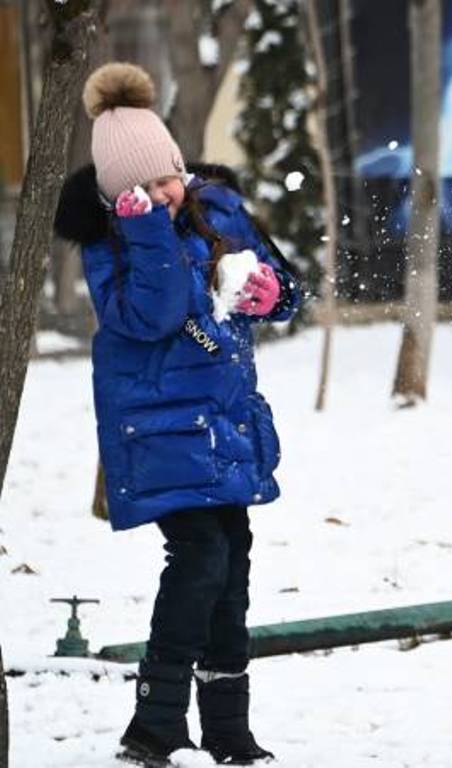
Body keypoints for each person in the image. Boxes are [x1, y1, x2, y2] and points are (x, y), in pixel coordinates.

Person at [55, 62, 299, 766]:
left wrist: (267, 293)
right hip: (160, 427)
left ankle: (227, 728)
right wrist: (148, 235)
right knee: (199, 559)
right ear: (116, 194)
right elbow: (153, 316)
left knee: (232, 565)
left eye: (168, 178)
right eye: (145, 189)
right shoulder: (109, 243)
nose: (166, 194)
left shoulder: (215, 207)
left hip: (224, 423)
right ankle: (155, 724)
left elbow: (286, 287)